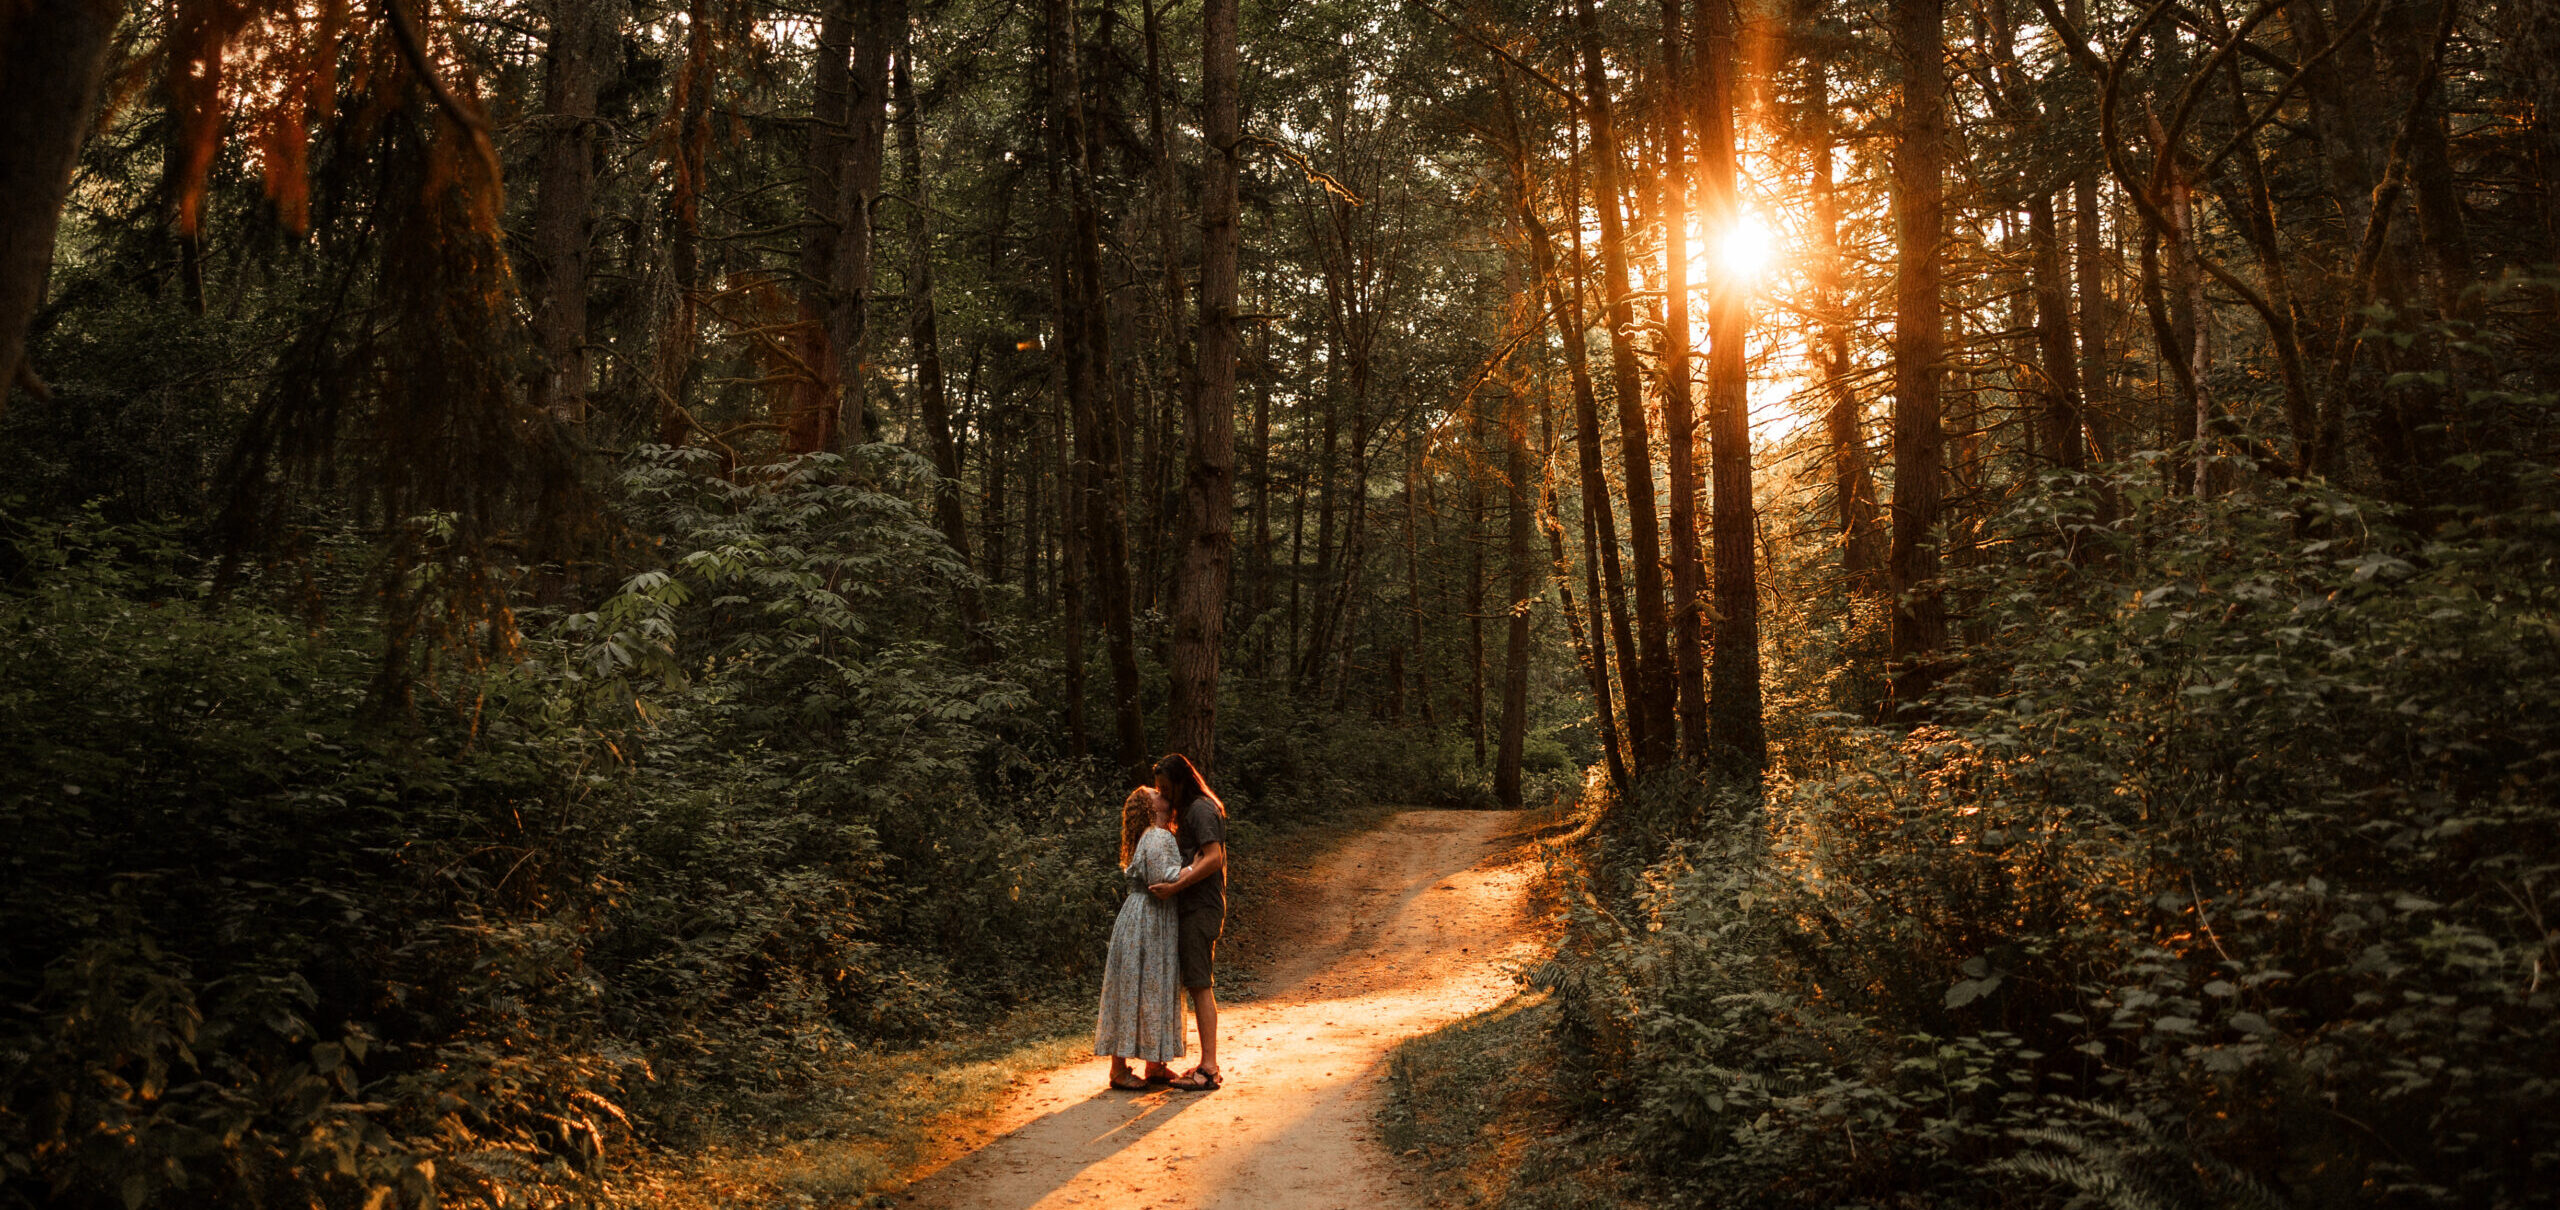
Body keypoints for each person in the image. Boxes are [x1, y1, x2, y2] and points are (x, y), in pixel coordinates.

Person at [1095, 786, 1186, 1090]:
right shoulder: (1158, 835)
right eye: (1157, 793)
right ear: (1150, 806)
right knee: (1143, 984)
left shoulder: (1150, 835)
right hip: (1149, 919)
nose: (1164, 794)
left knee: (1143, 984)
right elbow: (1164, 878)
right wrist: (1198, 866)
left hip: (1141, 917)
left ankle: (1153, 1064)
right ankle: (1120, 1070)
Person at [1145, 753, 1226, 1092]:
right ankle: (1201, 1064)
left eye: (1166, 789)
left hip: (1201, 908)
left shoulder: (1201, 810)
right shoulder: (1188, 812)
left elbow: (1214, 857)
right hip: (1189, 907)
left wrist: (1179, 883)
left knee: (1199, 984)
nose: (1163, 797)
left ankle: (1209, 1068)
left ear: (1182, 782)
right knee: (1193, 982)